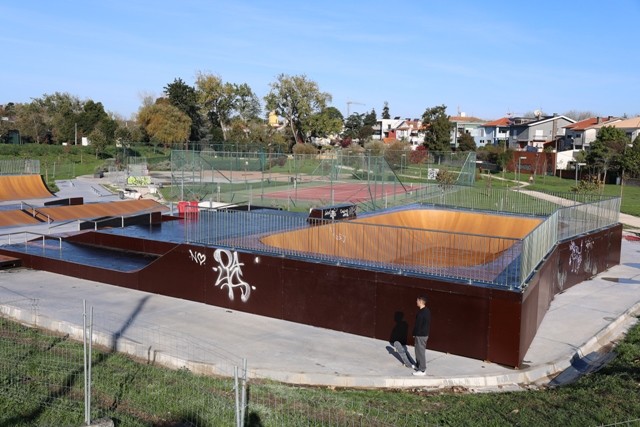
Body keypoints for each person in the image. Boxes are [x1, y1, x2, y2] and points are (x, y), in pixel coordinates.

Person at [412, 295, 431, 376]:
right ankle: (418, 365)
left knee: (420, 352)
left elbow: (418, 325)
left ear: (420, 301)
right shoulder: (427, 311)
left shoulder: (422, 313)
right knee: (417, 350)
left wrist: (414, 334)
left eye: (417, 300)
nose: (416, 302)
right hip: (422, 334)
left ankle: (422, 370)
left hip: (421, 335)